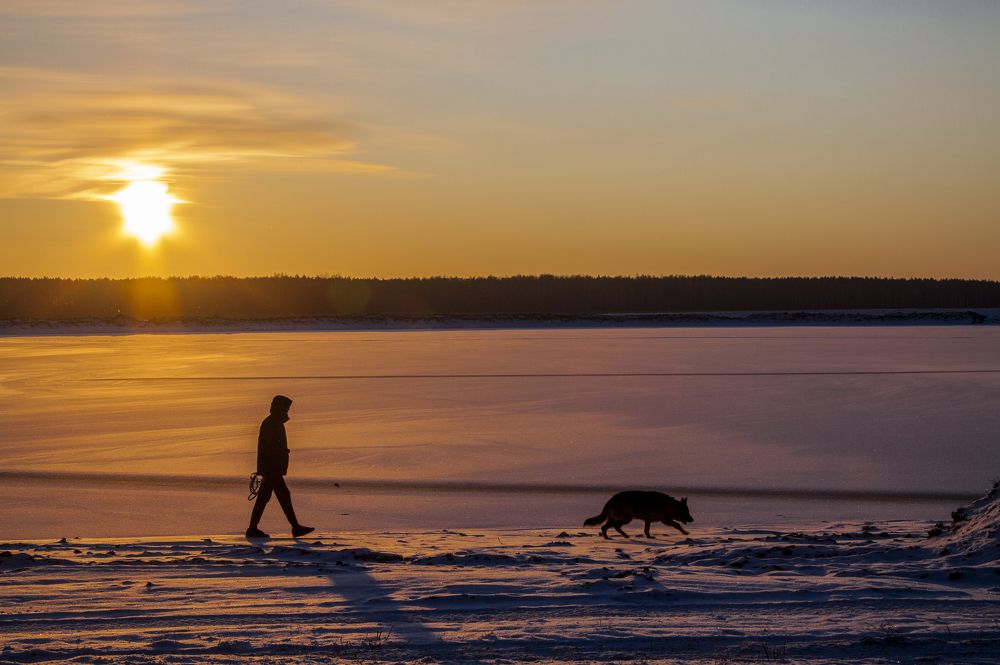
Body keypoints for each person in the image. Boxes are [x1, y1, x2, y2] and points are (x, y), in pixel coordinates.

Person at [246, 395, 314, 539]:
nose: (287, 411)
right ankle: (294, 527)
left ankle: (254, 528)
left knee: (268, 497)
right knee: (281, 496)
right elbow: (267, 447)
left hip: (272, 467)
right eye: (286, 408)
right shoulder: (271, 423)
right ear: (279, 408)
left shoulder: (274, 423)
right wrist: (270, 465)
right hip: (272, 467)